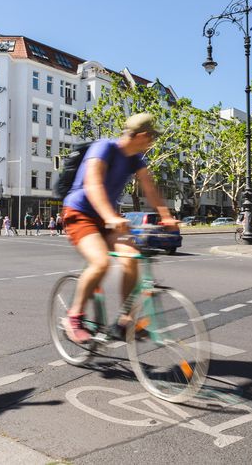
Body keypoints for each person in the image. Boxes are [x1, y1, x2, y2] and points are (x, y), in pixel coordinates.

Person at [61, 113, 179, 343]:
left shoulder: (136, 159)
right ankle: (73, 317)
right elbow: (93, 184)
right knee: (100, 262)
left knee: (132, 257)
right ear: (143, 135)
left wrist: (167, 217)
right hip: (80, 213)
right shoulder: (104, 148)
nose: (152, 143)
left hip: (107, 218)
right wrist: (110, 217)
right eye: (152, 138)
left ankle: (124, 321)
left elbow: (150, 188)